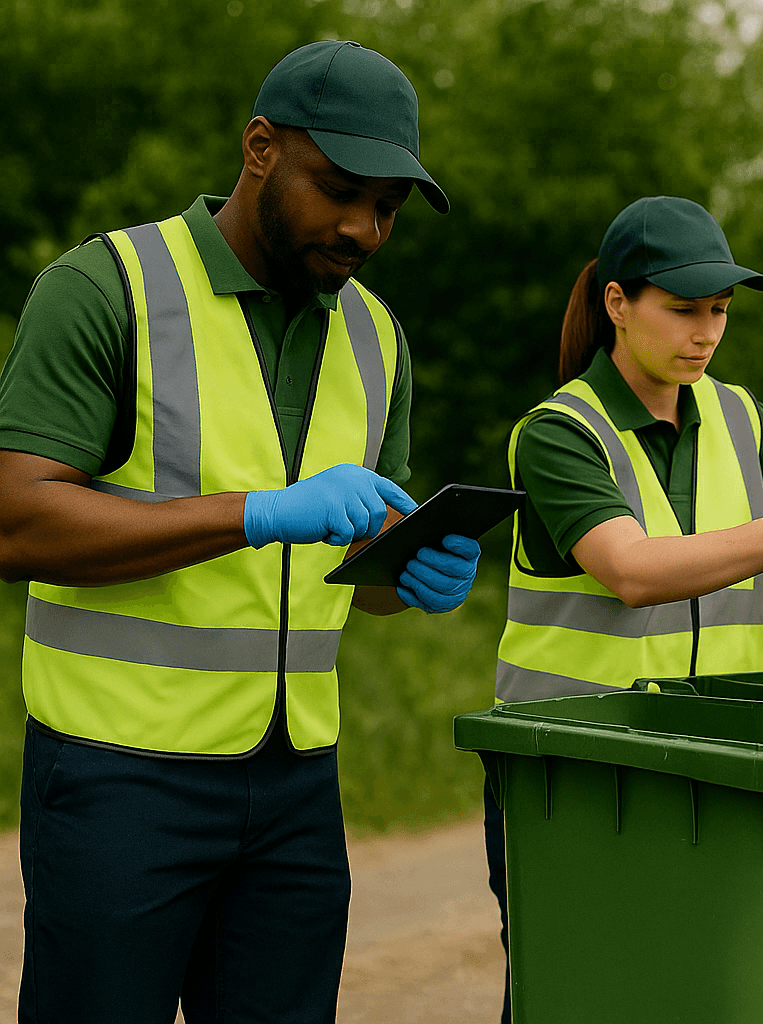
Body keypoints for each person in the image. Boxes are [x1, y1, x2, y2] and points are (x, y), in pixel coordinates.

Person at [0, 41, 482, 1022]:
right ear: (261, 147)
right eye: (338, 190)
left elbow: (355, 565)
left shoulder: (377, 336)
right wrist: (256, 514)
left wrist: (406, 570)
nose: (362, 229)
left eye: (387, 207)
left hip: (296, 785)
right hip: (117, 774)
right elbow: (15, 521)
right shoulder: (106, 288)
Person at [484, 195, 763, 1023]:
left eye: (719, 311)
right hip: (573, 776)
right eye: (683, 309)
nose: (706, 333)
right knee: (576, 998)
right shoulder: (559, 432)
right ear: (617, 303)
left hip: (705, 768)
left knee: (688, 996)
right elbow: (632, 570)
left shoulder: (739, 415)